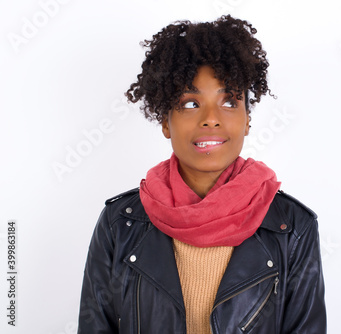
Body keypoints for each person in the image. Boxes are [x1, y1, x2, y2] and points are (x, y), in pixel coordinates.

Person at [77, 15, 326, 334]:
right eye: (191, 103)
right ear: (165, 122)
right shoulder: (119, 224)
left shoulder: (293, 229)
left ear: (248, 120)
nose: (211, 118)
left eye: (229, 101)